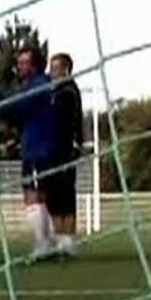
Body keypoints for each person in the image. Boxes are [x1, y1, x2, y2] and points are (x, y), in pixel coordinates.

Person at [5, 45, 59, 260]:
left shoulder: (37, 85)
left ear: (35, 64)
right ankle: (44, 243)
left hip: (38, 149)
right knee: (37, 196)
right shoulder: (36, 85)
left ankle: (42, 245)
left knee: (33, 196)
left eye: (24, 62)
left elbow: (15, 108)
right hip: (34, 146)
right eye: (18, 63)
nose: (20, 67)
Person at [48, 52, 84, 257]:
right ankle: (60, 238)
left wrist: (76, 143)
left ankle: (67, 240)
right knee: (53, 195)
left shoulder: (69, 91)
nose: (51, 72)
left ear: (65, 69)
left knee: (65, 194)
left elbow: (73, 122)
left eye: (55, 68)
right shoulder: (53, 92)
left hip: (64, 150)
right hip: (51, 151)